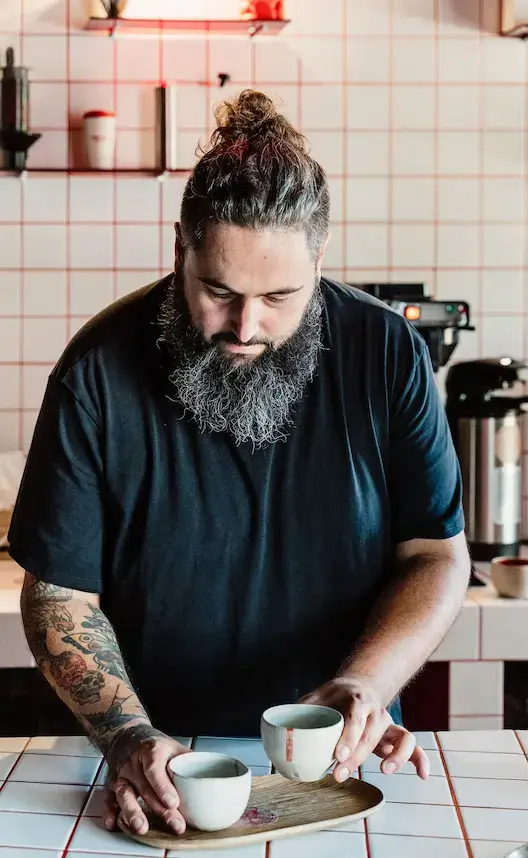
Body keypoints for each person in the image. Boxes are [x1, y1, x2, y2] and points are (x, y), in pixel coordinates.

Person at [10, 90, 471, 837]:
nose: (246, 327)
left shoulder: (387, 354)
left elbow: (435, 555)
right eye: (218, 291)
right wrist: (126, 737)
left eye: (280, 296)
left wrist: (366, 683)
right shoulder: (97, 371)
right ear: (178, 248)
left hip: (332, 762)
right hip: (155, 761)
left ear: (319, 259)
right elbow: (59, 594)